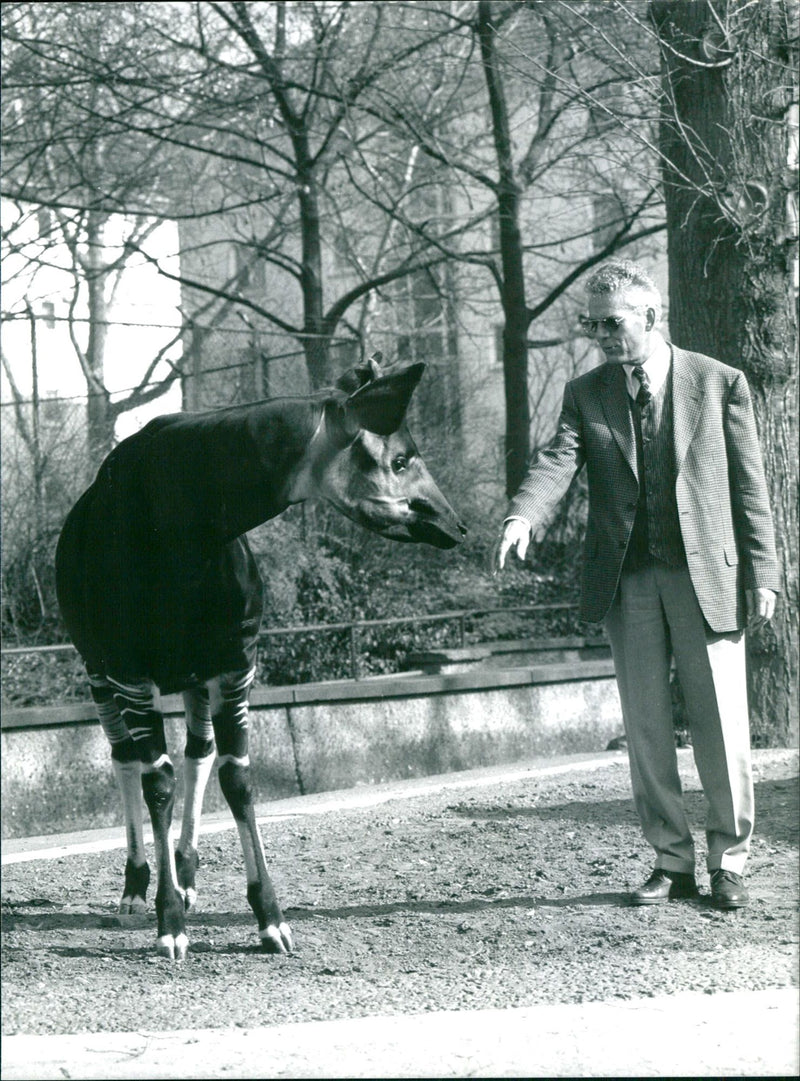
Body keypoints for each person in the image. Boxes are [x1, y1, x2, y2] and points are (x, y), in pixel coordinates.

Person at [496, 259, 779, 910]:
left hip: (708, 577)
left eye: (612, 322)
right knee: (647, 728)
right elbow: (555, 463)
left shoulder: (718, 383)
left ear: (651, 317)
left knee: (722, 727)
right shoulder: (586, 391)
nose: (599, 334)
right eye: (590, 323)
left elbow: (750, 489)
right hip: (630, 583)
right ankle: (672, 862)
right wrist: (522, 515)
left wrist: (764, 571)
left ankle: (729, 862)